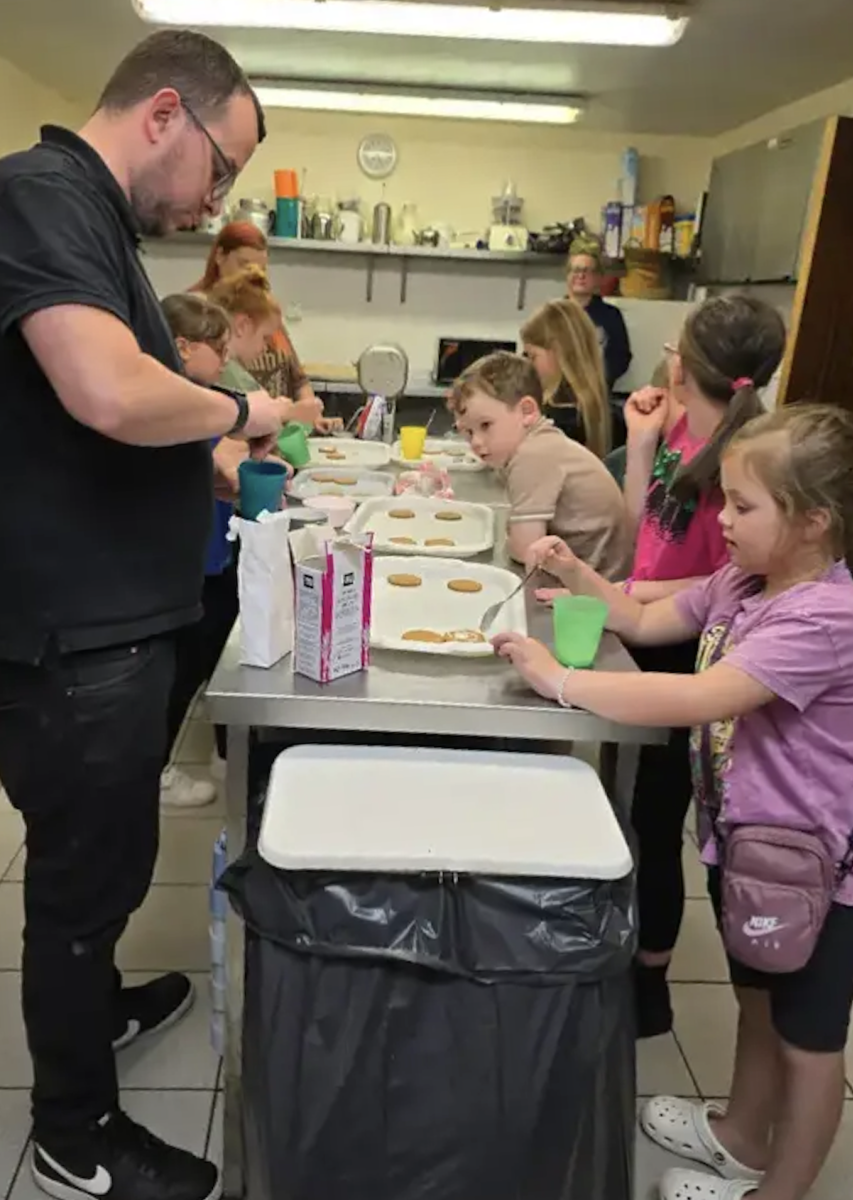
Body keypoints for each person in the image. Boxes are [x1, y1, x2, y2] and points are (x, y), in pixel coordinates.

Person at [0, 29, 288, 1200]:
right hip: (71, 635)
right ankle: (72, 1134)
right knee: (80, 886)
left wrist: (203, 468)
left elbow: (89, 419)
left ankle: (97, 1009)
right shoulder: (39, 196)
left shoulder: (90, 222)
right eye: (219, 168)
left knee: (110, 868)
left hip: (111, 618)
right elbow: (109, 392)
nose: (215, 198)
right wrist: (239, 411)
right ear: (164, 112)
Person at [495, 403, 853, 1200]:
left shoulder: (826, 617)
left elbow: (704, 696)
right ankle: (738, 1134)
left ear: (813, 521)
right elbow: (644, 616)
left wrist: (558, 680)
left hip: (820, 870)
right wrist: (574, 572)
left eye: (742, 505)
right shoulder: (745, 579)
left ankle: (781, 1190)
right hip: (751, 842)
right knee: (755, 995)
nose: (721, 520)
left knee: (808, 1038)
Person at [535, 295, 786, 1038]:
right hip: (643, 624)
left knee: (653, 817)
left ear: (689, 363)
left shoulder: (747, 459)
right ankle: (611, 941)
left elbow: (730, 582)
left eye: (676, 348)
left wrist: (636, 592)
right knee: (622, 802)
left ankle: (649, 981)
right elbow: (644, 526)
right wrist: (641, 444)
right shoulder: (681, 425)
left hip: (687, 646)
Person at [159, 292, 256, 808]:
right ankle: (158, 771)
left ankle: (224, 749)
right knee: (182, 672)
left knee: (214, 653)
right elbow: (219, 461)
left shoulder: (193, 395)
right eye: (216, 349)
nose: (225, 360)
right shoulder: (175, 401)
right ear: (182, 345)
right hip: (187, 563)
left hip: (209, 553)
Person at [449, 351, 630, 578]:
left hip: (597, 587)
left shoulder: (532, 456)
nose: (475, 442)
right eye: (467, 432)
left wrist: (509, 537)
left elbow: (527, 552)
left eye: (486, 425)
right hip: (593, 574)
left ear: (527, 411)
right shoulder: (542, 441)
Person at [191, 219, 340, 431]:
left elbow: (298, 378)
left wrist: (310, 417)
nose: (252, 274)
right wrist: (285, 413)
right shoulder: (198, 313)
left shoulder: (263, 313)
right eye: (244, 264)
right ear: (219, 256)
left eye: (260, 268)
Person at [207, 264, 321, 430]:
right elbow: (249, 422)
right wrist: (291, 412)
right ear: (242, 326)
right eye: (265, 338)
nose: (266, 348)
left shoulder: (235, 371)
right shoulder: (222, 373)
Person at [520, 297, 617, 457]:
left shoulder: (558, 418)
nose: (528, 365)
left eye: (532, 356)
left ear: (560, 354)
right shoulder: (595, 410)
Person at [566, 244, 632, 390]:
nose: (581, 275)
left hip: (597, 397)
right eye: (576, 270)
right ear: (567, 274)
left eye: (587, 271)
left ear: (598, 277)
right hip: (557, 401)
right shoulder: (553, 313)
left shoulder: (611, 316)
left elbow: (621, 358)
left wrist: (599, 378)